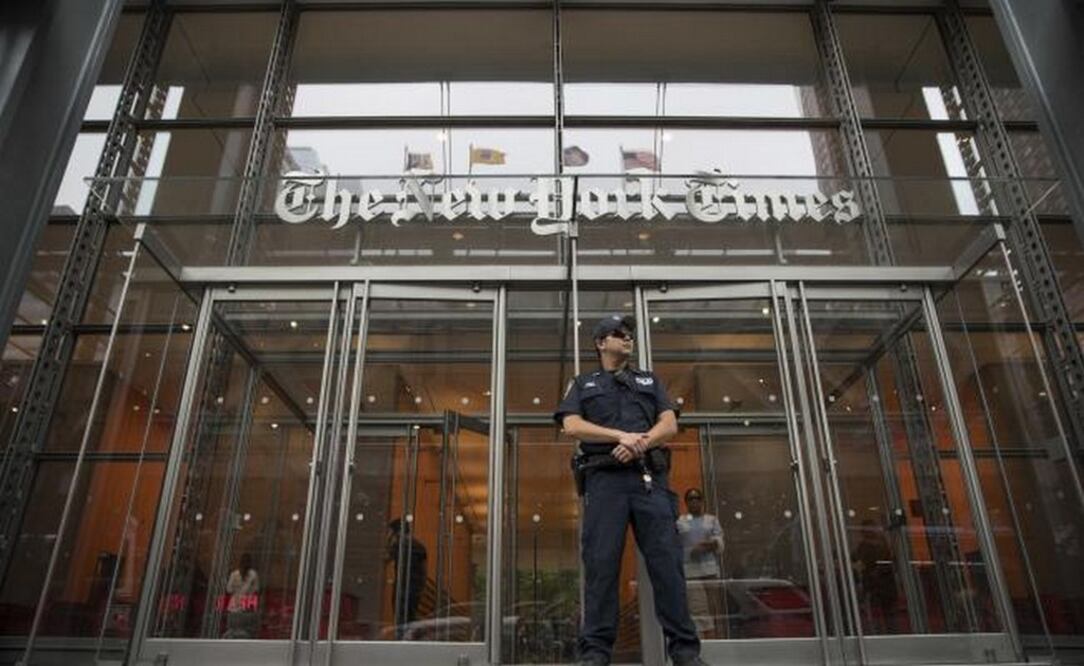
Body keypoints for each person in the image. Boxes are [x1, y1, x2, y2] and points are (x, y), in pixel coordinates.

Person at [555, 314, 707, 666]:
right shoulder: (583, 383)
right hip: (605, 483)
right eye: (619, 334)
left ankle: (686, 653)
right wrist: (619, 437)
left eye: (629, 334)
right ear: (600, 343)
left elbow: (668, 423)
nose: (627, 338)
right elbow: (571, 424)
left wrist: (640, 443)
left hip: (647, 480)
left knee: (667, 566)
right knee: (601, 566)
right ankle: (595, 654)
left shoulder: (649, 380)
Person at [677, 488, 725, 637]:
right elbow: (674, 543)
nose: (694, 501)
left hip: (709, 570)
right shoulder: (680, 522)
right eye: (690, 499)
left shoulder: (711, 520)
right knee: (698, 608)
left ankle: (718, 640)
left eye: (697, 498)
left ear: (702, 501)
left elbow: (720, 542)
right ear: (686, 503)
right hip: (690, 572)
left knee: (713, 607)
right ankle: (703, 641)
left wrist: (707, 545)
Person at [850, 520, 898, 633]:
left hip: (881, 583)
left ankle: (884, 633)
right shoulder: (868, 545)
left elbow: (889, 562)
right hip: (876, 583)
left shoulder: (881, 544)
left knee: (884, 612)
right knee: (881, 612)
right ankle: (882, 632)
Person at [387, 517, 428, 638]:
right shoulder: (419, 546)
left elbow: (384, 559)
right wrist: (422, 586)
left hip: (402, 586)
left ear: (396, 531)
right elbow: (424, 569)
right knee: (411, 616)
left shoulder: (398, 545)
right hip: (415, 587)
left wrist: (389, 540)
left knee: (401, 618)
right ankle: (411, 640)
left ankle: (402, 641)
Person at [223, 553, 260, 638]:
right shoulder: (250, 574)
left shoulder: (237, 574)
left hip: (239, 610)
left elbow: (229, 589)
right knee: (240, 634)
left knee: (237, 634)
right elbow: (256, 591)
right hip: (241, 610)